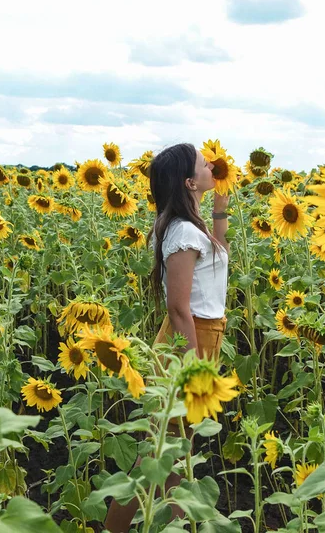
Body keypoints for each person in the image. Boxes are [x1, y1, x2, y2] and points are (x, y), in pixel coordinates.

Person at [104, 143, 230, 532]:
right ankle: (115, 527)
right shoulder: (182, 231)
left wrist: (221, 202)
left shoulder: (188, 225)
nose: (212, 163)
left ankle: (181, 523)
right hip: (188, 342)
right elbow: (178, 307)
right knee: (160, 453)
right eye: (203, 163)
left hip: (200, 335)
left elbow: (219, 252)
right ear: (190, 181)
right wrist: (194, 369)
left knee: (174, 451)